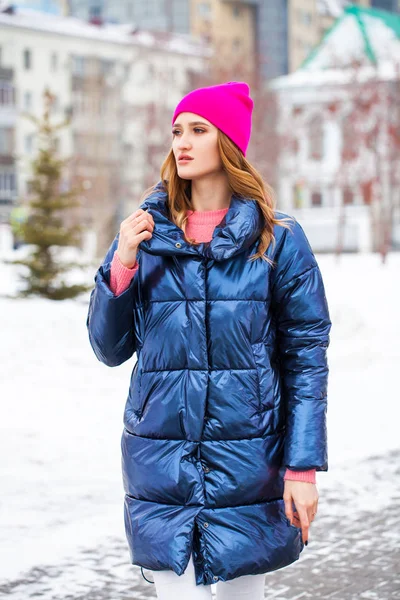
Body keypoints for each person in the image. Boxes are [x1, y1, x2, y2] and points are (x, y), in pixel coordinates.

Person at [86, 81, 332, 600]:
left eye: (199, 130)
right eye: (177, 131)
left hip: (248, 461)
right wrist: (122, 264)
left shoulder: (277, 237)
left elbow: (306, 362)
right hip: (162, 461)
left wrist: (302, 467)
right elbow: (109, 349)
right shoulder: (146, 234)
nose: (183, 142)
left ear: (228, 144)